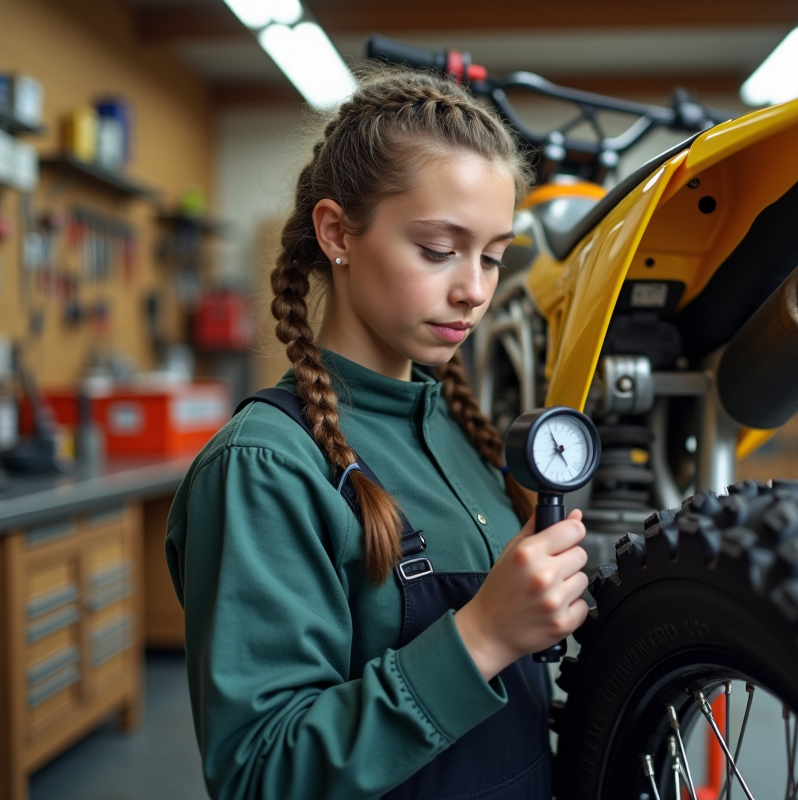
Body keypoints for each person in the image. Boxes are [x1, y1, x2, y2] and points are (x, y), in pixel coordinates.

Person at [165, 68, 590, 800]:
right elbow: (260, 773)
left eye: (492, 256)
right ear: (337, 232)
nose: (475, 289)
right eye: (437, 250)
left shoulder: (461, 434)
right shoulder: (265, 467)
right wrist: (481, 637)